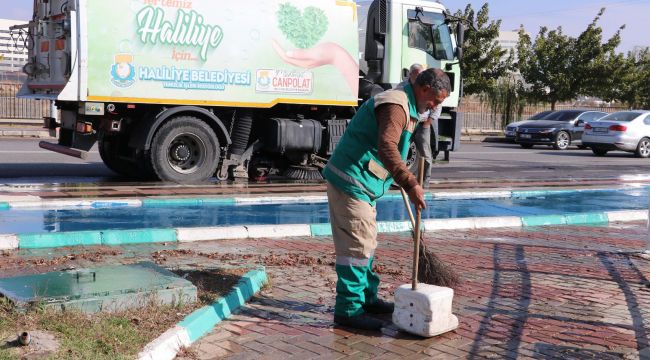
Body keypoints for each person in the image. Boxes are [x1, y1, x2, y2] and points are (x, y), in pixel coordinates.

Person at [322, 68, 451, 330]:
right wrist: (411, 182)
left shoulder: (409, 103)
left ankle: (367, 299)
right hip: (351, 180)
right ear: (425, 89)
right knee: (356, 248)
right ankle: (349, 309)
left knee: (366, 243)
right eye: (436, 100)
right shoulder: (397, 106)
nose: (434, 107)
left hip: (363, 183)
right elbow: (387, 147)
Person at [398, 64, 441, 186]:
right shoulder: (403, 87)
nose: (419, 78)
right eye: (417, 75)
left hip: (422, 124)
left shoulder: (430, 86)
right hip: (408, 123)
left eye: (421, 75)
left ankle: (425, 183)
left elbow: (437, 105)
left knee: (425, 153)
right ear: (410, 74)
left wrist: (428, 122)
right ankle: (401, 180)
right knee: (402, 150)